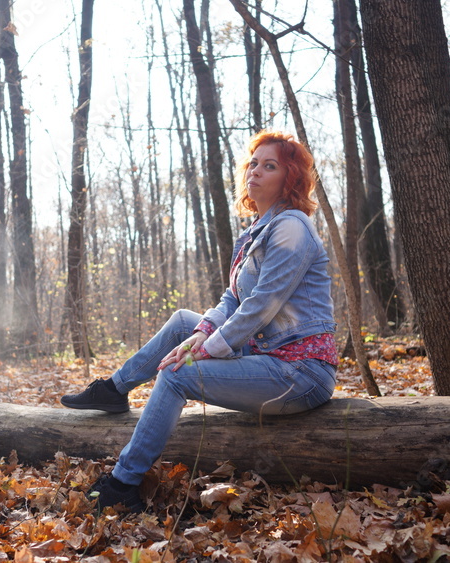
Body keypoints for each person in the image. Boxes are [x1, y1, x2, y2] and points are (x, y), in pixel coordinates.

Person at [61, 130, 338, 512]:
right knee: (182, 323)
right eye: (253, 163)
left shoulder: (292, 227)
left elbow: (260, 306)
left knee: (176, 375)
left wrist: (206, 348)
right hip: (272, 357)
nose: (255, 171)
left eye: (269, 166)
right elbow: (232, 300)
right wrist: (202, 332)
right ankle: (113, 389)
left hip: (300, 373)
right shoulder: (257, 232)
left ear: (289, 177)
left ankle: (122, 483)